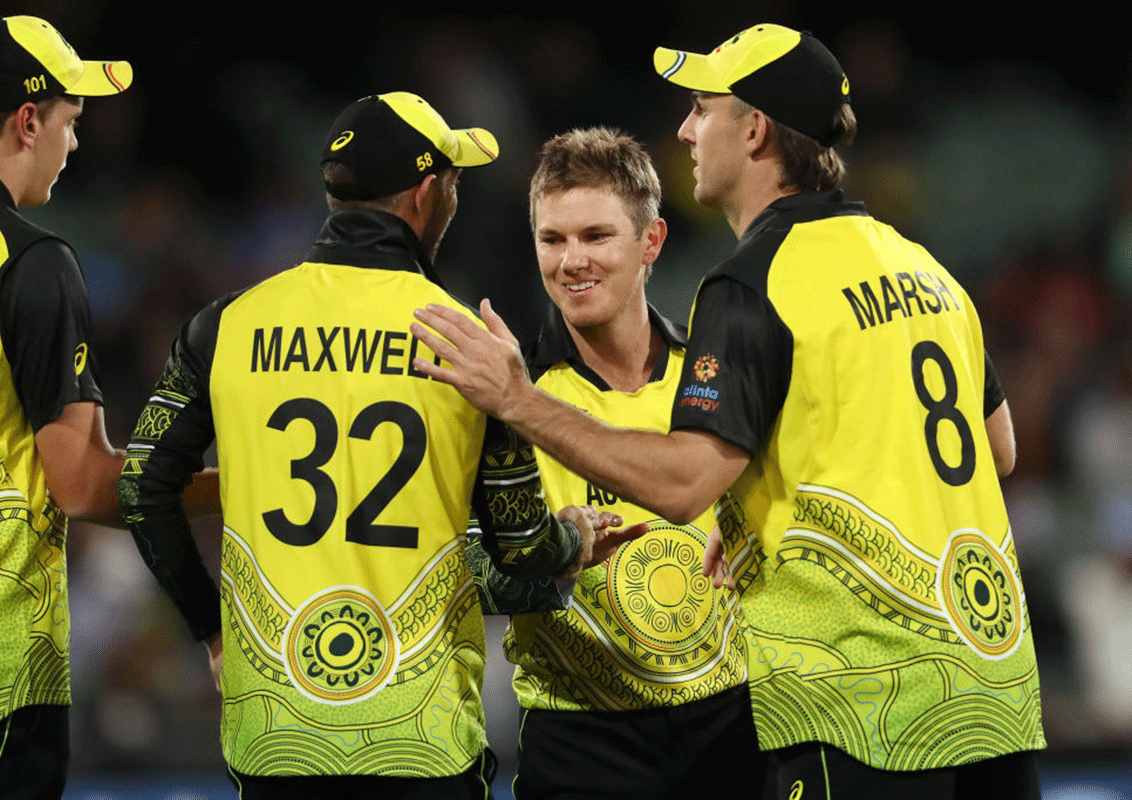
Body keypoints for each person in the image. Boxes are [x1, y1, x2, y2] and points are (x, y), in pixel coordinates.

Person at [411, 24, 1045, 800]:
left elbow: (684, 485)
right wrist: (767, 515)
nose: (684, 129)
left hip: (859, 703)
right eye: (553, 237)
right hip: (994, 689)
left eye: (702, 108)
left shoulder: (754, 283)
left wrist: (516, 399)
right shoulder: (923, 265)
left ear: (752, 131)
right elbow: (997, 448)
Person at [118, 92, 639, 800]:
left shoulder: (225, 326)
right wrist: (571, 542)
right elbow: (518, 545)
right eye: (453, 181)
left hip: (277, 734)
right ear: (427, 194)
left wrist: (210, 629)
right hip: (421, 739)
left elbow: (142, 487)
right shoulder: (468, 345)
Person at [467, 127, 762, 799]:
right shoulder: (503, 393)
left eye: (596, 236)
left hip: (735, 727)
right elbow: (456, 568)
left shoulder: (718, 374)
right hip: (580, 746)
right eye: (552, 239)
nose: (572, 262)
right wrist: (551, 555)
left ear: (651, 242)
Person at [0, 15, 138, 797]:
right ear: (28, 122)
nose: (74, 143)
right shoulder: (31, 261)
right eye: (70, 121)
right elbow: (81, 486)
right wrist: (237, 483)